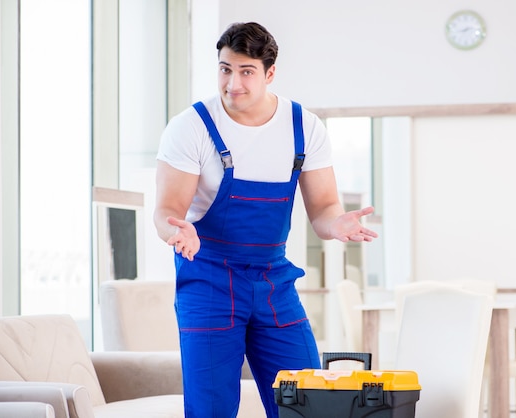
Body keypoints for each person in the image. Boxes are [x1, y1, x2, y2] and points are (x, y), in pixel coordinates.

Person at [154, 21, 378, 418]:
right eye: (225, 69)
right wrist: (176, 230)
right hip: (208, 281)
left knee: (307, 402)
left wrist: (337, 224)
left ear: (270, 73)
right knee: (211, 408)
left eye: (246, 72)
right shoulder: (191, 127)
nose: (232, 83)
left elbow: (324, 209)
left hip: (274, 283)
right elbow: (167, 210)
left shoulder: (303, 128)